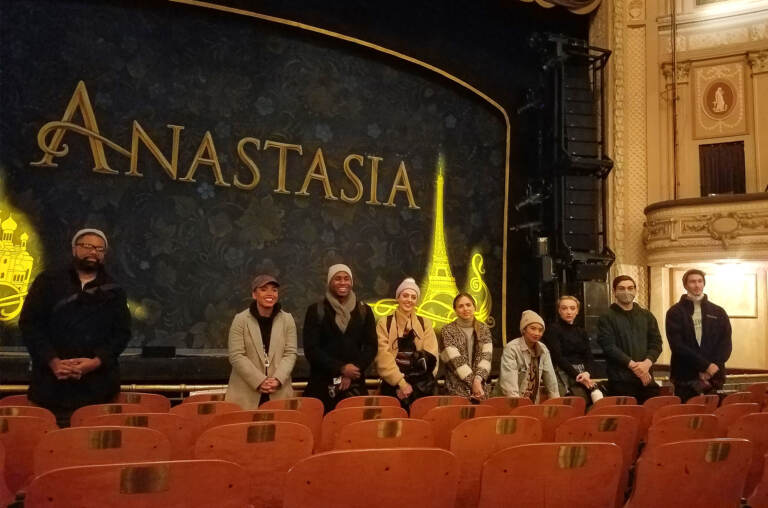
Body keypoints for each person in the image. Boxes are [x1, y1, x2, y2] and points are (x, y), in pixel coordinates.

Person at [19, 228, 131, 427]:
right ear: (74, 249)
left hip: (99, 388)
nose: (93, 252)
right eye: (87, 246)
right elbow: (30, 326)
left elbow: (122, 334)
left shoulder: (114, 290)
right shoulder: (48, 282)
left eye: (99, 249)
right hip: (50, 386)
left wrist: (95, 362)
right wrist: (53, 361)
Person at [303, 264, 377, 413]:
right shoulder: (316, 311)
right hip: (322, 388)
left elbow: (371, 347)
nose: (343, 283)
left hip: (355, 386)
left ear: (351, 282)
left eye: (346, 279)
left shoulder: (364, 311)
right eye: (337, 279)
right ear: (330, 282)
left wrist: (353, 370)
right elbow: (311, 349)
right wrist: (341, 369)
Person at [225, 274, 297, 409]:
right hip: (246, 394)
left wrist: (277, 379)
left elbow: (290, 353)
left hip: (278, 392)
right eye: (264, 289)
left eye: (274, 290)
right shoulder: (240, 320)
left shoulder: (288, 320)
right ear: (254, 294)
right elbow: (236, 355)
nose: (270, 293)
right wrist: (259, 381)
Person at [665, 269, 732, 402]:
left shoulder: (718, 311)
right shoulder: (675, 312)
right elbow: (677, 345)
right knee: (686, 418)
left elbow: (725, 343)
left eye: (700, 281)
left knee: (713, 418)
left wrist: (712, 367)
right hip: (685, 376)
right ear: (685, 285)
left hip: (714, 376)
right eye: (692, 282)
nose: (697, 285)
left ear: (704, 284)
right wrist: (704, 366)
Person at [597, 275, 663, 403]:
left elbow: (656, 343)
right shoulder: (606, 317)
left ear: (635, 291)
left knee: (650, 418)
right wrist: (635, 367)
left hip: (647, 379)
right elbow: (609, 347)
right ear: (614, 292)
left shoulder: (646, 315)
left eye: (630, 288)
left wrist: (646, 364)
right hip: (621, 381)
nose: (626, 292)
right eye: (621, 288)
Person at [376, 278, 439, 409]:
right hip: (392, 385)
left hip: (420, 388)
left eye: (413, 297)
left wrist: (414, 388)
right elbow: (383, 357)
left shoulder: (425, 323)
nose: (409, 300)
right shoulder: (384, 323)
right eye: (405, 295)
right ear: (398, 298)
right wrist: (401, 383)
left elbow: (432, 357)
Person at [541, 295, 600, 405]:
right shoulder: (553, 330)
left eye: (572, 308)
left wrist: (587, 373)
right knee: (575, 403)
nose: (569, 312)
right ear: (559, 310)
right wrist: (578, 375)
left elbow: (589, 356)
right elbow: (558, 357)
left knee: (598, 397)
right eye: (564, 308)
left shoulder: (581, 331)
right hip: (563, 373)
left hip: (583, 373)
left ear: (577, 311)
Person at [439, 293, 493, 400]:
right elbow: (455, 361)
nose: (465, 308)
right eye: (461, 306)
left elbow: (486, 357)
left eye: (468, 305)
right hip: (455, 390)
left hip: (481, 390)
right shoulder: (447, 330)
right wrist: (474, 384)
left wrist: (478, 381)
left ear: (474, 307)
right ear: (455, 310)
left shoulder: (484, 329)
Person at [498, 310, 559, 402]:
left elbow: (551, 380)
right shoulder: (512, 348)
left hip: (532, 402)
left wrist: (556, 402)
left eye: (540, 330)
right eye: (533, 328)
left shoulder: (543, 349)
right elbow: (509, 385)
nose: (537, 333)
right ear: (524, 329)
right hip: (509, 402)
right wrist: (518, 406)